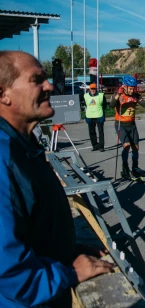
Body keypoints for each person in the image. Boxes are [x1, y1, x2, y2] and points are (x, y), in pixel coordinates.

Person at [0, 51, 114, 307]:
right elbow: (9, 273)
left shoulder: (24, 145)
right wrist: (71, 273)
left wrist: (64, 252)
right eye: (36, 80)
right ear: (3, 94)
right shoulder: (4, 159)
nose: (49, 85)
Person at [111, 75, 145, 179]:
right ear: (125, 86)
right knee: (126, 146)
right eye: (130, 88)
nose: (132, 90)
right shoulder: (119, 94)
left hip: (131, 124)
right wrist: (118, 93)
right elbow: (112, 104)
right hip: (120, 124)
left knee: (135, 147)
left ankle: (135, 167)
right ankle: (125, 168)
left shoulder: (136, 95)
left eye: (133, 88)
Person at [84, 83, 108, 152]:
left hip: (99, 115)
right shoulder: (85, 96)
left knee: (101, 132)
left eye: (94, 89)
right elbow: (85, 104)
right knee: (91, 132)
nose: (93, 90)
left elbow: (104, 105)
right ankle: (95, 145)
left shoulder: (101, 95)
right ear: (89, 89)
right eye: (92, 89)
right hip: (90, 116)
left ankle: (101, 146)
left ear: (96, 89)